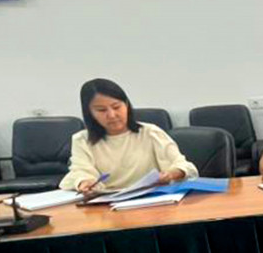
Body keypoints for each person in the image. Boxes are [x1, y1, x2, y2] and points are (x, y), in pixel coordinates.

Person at [61, 78, 198, 193]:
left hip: (152, 200)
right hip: (105, 204)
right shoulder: (82, 140)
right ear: (89, 113)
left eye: (116, 107)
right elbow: (80, 171)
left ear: (126, 105)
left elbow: (184, 166)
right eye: (101, 110)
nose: (112, 115)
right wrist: (85, 182)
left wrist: (172, 174)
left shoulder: (150, 133)